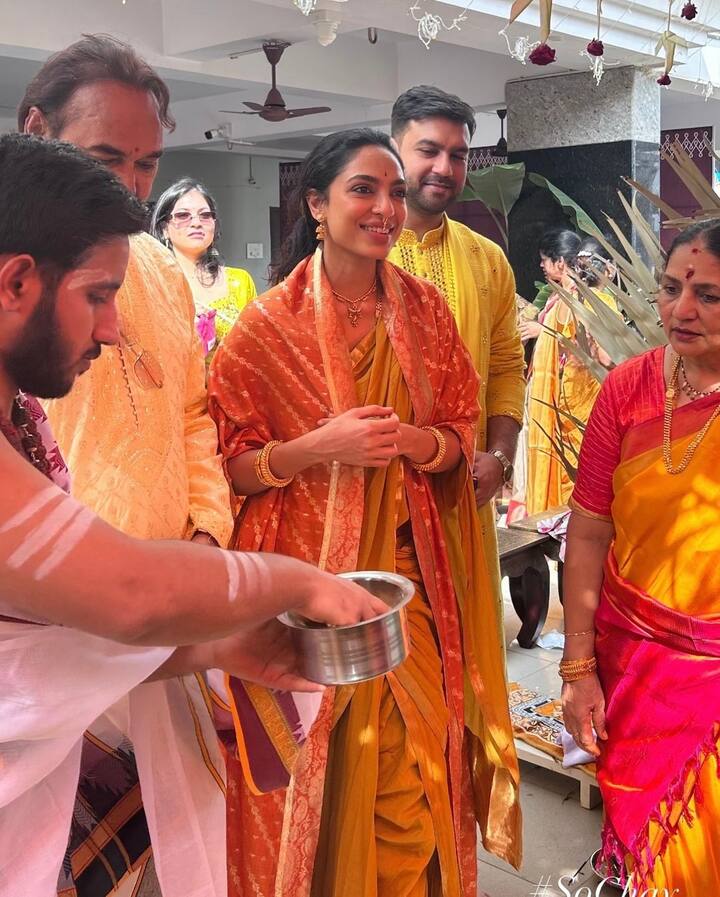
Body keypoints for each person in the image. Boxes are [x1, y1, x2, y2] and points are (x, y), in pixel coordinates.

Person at [0, 132, 384, 897]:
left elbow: (39, 638)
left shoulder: (18, 417)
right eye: (97, 296)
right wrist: (290, 581)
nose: (111, 330)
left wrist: (214, 644)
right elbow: (128, 595)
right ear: (15, 282)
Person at [209, 129, 521, 897]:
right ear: (316, 203)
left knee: (409, 780)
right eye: (362, 190)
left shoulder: (427, 312)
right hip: (302, 600)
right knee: (315, 781)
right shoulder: (265, 330)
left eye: (392, 193)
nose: (385, 209)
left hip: (405, 594)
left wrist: (419, 441)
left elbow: (457, 440)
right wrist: (313, 448)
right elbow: (228, 470)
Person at [17, 34, 231, 894]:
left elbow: (192, 418)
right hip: (46, 634)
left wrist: (208, 536)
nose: (130, 187)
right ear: (35, 129)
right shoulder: (13, 279)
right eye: (107, 155)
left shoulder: (162, 274)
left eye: (146, 163)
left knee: (156, 858)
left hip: (164, 614)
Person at [561, 219, 720, 893]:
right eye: (670, 288)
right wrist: (577, 667)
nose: (680, 310)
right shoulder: (626, 388)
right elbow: (590, 529)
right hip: (634, 664)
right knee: (646, 851)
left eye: (708, 294)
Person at [388, 85, 525, 626]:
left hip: (462, 495)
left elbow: (509, 366)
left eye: (458, 154)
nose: (443, 167)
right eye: (428, 150)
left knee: (466, 642)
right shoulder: (356, 252)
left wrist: (500, 457)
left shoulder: (487, 259)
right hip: (378, 495)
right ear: (395, 149)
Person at [523, 227, 607, 515]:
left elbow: (593, 350)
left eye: (545, 260)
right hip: (563, 395)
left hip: (575, 398)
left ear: (562, 262)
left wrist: (542, 331)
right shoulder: (562, 297)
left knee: (572, 468)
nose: (542, 267)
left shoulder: (588, 300)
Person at [151, 177, 257, 357]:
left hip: (235, 383)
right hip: (177, 383)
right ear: (164, 229)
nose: (196, 223)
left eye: (205, 215)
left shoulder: (240, 282)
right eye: (183, 215)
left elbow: (258, 346)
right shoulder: (154, 285)